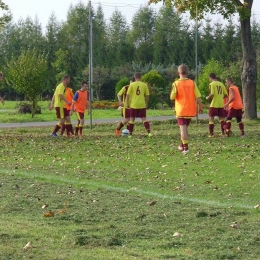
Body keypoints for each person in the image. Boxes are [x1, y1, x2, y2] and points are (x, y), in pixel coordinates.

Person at [170, 64, 203, 154]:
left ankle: (186, 148)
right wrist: (200, 106)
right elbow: (198, 96)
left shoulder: (176, 83)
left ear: (178, 72)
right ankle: (181, 145)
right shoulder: (192, 83)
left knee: (183, 129)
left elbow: (172, 97)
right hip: (190, 109)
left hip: (181, 109)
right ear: (187, 72)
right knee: (185, 128)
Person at [125, 72, 151, 137]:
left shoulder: (132, 85)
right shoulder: (144, 85)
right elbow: (147, 95)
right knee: (144, 119)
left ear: (134, 77)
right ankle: (149, 133)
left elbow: (127, 95)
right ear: (141, 77)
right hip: (142, 104)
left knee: (131, 119)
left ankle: (130, 134)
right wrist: (146, 103)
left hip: (133, 104)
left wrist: (127, 103)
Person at [206, 73, 228, 137]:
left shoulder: (211, 84)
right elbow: (226, 95)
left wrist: (207, 97)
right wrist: (220, 97)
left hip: (214, 104)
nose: (209, 80)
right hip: (221, 104)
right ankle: (225, 132)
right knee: (221, 119)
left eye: (209, 78)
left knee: (211, 118)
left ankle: (211, 134)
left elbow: (212, 94)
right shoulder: (221, 84)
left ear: (210, 77)